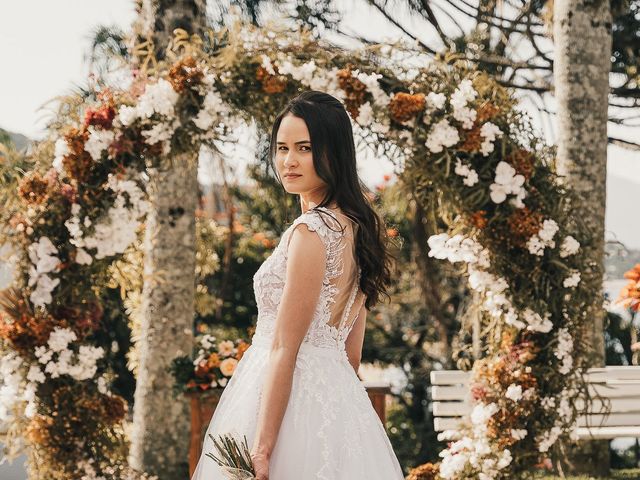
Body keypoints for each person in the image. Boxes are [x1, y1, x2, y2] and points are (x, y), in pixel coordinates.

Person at [191, 90, 404, 480]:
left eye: (304, 148)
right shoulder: (360, 230)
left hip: (283, 402)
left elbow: (284, 348)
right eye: (282, 147)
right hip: (339, 401)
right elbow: (350, 355)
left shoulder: (312, 232)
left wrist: (262, 447)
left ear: (333, 152)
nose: (288, 161)